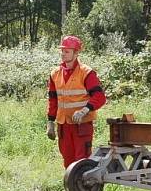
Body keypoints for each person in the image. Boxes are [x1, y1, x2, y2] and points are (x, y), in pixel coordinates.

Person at [46, 35, 107, 168]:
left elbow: (100, 97)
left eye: (67, 51)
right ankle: (72, 187)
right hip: (64, 125)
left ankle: (84, 187)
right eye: (62, 51)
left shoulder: (86, 73)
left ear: (76, 53)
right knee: (67, 160)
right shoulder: (55, 74)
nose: (63, 54)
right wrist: (50, 122)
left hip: (82, 125)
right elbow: (53, 100)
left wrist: (85, 110)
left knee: (81, 161)